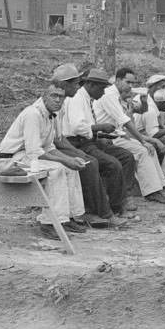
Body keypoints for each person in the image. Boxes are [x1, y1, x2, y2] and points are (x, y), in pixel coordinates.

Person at [0, 82, 89, 239]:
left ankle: (67, 218)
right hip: (10, 159)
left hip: (26, 156)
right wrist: (63, 161)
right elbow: (34, 152)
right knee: (56, 170)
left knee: (70, 168)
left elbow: (49, 147)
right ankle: (49, 223)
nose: (58, 100)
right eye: (54, 96)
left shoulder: (51, 116)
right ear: (44, 97)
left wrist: (70, 159)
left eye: (61, 97)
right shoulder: (33, 114)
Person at [50, 63, 133, 225]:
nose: (103, 93)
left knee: (125, 156)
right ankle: (104, 211)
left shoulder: (84, 98)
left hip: (82, 141)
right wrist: (99, 128)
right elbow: (76, 128)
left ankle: (118, 203)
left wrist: (100, 133)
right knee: (102, 164)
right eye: (101, 89)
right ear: (91, 85)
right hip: (76, 142)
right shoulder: (75, 99)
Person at [92, 68, 165, 204]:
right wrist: (142, 140)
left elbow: (139, 111)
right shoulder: (109, 95)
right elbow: (124, 121)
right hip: (106, 137)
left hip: (118, 135)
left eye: (132, 83)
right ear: (118, 80)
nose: (130, 86)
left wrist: (144, 100)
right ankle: (152, 191)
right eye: (128, 82)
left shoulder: (119, 96)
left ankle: (159, 186)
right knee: (143, 150)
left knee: (150, 148)